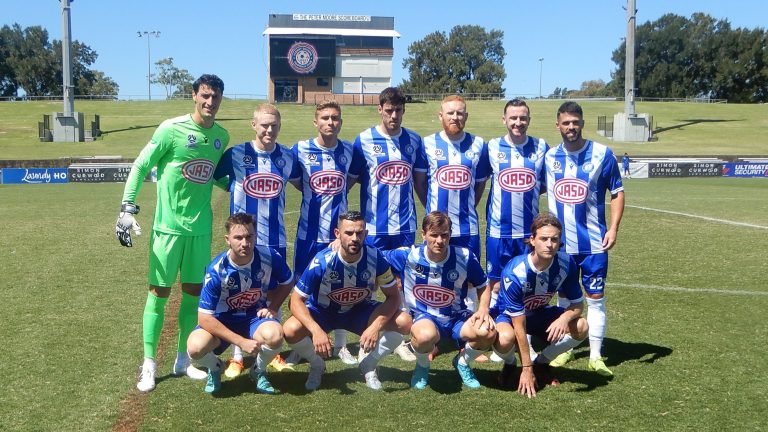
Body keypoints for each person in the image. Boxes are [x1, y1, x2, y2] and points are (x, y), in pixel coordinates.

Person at [115, 74, 229, 393]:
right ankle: (149, 363)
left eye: (215, 97)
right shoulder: (171, 129)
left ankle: (183, 360)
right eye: (205, 95)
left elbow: (215, 177)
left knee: (193, 295)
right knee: (158, 295)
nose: (210, 102)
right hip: (167, 231)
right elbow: (140, 166)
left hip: (200, 232)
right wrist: (127, 208)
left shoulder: (221, 136)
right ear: (194, 95)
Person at [213, 104, 299, 376]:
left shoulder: (287, 156)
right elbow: (215, 177)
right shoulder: (236, 154)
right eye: (264, 125)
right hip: (243, 240)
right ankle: (238, 355)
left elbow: (299, 182)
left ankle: (273, 352)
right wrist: (234, 188)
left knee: (274, 294)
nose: (269, 130)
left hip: (275, 238)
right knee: (239, 293)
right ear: (254, 125)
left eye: (274, 125)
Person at [282, 211, 410, 391]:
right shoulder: (322, 261)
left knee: (404, 322)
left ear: (365, 234)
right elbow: (295, 300)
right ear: (337, 234)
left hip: (358, 311)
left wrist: (374, 327)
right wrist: (315, 330)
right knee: (290, 329)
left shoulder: (375, 257)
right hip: (323, 312)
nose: (354, 238)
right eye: (349, 233)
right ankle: (317, 364)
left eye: (359, 233)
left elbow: (393, 296)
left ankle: (369, 365)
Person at [544, 101, 625, 376]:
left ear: (582, 123)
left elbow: (617, 192)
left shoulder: (603, 154)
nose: (571, 127)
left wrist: (613, 228)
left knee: (595, 300)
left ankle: (595, 355)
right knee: (565, 303)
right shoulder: (549, 157)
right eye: (566, 123)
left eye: (575, 122)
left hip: (593, 244)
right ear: (558, 125)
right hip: (561, 247)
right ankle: (565, 349)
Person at [348, 87, 423, 362]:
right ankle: (364, 336)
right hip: (374, 227)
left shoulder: (414, 141)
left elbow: (420, 182)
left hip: (404, 226)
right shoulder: (364, 139)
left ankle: (403, 337)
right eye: (389, 110)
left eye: (398, 110)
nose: (393, 115)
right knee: (367, 283)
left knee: (403, 281)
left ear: (404, 111)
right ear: (380, 109)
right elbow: (350, 179)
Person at [383, 211, 495, 390]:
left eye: (444, 235)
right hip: (425, 317)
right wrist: (338, 244)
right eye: (433, 235)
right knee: (424, 336)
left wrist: (483, 310)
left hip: (456, 316)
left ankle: (463, 362)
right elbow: (373, 255)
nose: (439, 240)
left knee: (488, 332)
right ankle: (422, 366)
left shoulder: (464, 257)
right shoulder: (408, 256)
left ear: (450, 234)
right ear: (423, 235)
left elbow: (483, 285)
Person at [187, 213, 293, 394]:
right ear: (227, 240)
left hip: (254, 317)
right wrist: (241, 342)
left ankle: (258, 371)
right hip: (223, 320)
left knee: (275, 336)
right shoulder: (216, 270)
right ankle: (215, 368)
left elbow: (287, 281)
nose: (245, 243)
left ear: (255, 236)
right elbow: (204, 318)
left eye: (249, 236)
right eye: (238, 238)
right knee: (195, 348)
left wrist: (273, 307)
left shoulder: (269, 256)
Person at [492, 213, 589, 397]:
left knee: (581, 326)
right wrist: (525, 369)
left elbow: (577, 304)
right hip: (509, 316)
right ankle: (511, 364)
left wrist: (564, 318)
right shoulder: (516, 272)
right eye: (543, 239)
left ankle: (542, 363)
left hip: (538, 312)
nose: (549, 244)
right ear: (532, 240)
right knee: (505, 339)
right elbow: (519, 326)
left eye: (554, 239)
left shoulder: (566, 263)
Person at [289, 100, 357, 365]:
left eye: (335, 118)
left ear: (341, 122)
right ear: (315, 121)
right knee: (303, 290)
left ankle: (341, 345)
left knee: (340, 287)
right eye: (326, 118)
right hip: (308, 234)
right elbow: (298, 182)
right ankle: (301, 345)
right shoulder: (300, 150)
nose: (331, 122)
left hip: (337, 236)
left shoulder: (350, 151)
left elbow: (350, 181)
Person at [485, 98, 548, 307]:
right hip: (499, 231)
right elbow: (477, 182)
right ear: (504, 120)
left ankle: (525, 331)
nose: (518, 122)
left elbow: (546, 184)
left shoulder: (541, 147)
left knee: (528, 281)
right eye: (513, 118)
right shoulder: (492, 147)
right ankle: (495, 330)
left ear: (529, 120)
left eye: (522, 118)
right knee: (495, 284)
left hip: (529, 233)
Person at [414, 95, 489, 261]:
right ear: (441, 115)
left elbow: (480, 184)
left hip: (467, 229)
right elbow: (419, 183)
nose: (455, 117)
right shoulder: (426, 144)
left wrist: (466, 206)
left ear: (466, 116)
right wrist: (432, 207)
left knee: (470, 280)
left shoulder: (479, 144)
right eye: (450, 113)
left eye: (460, 113)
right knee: (436, 277)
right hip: (435, 229)